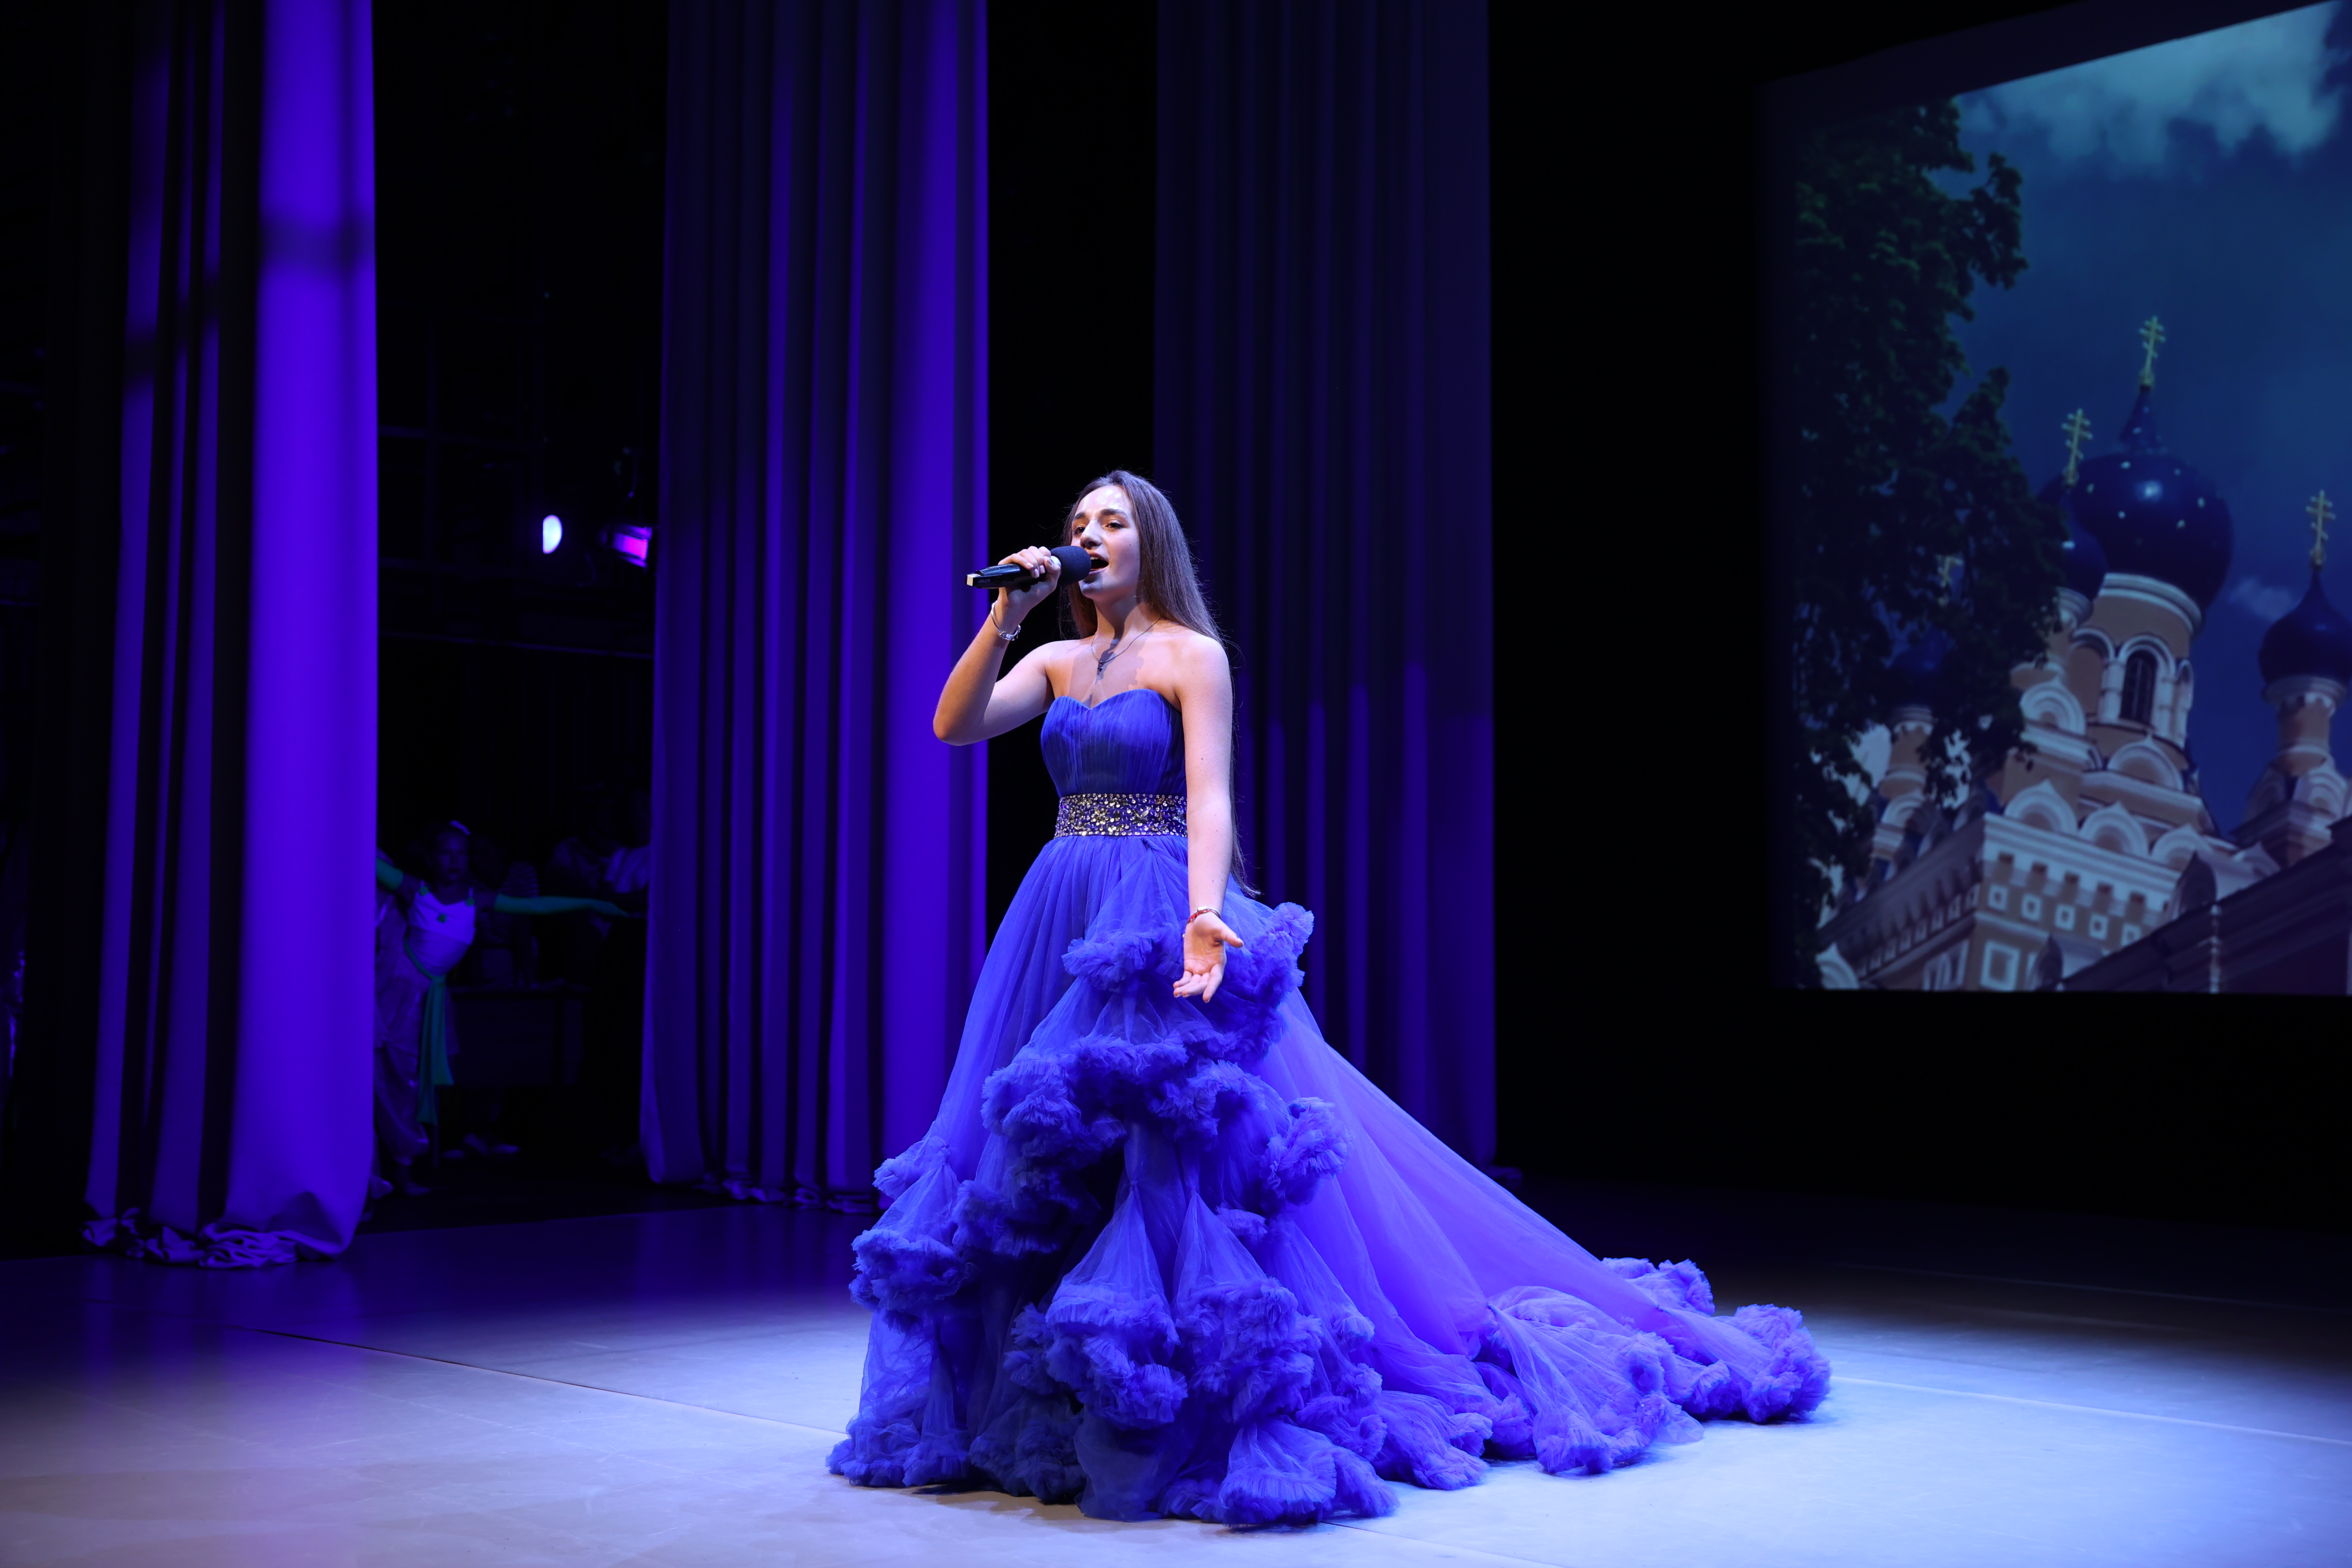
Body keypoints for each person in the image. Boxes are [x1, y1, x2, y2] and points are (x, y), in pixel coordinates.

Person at [828, 472, 1830, 1524]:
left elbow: (1209, 794)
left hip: (1151, 901)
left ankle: (1185, 1384)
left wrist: (1204, 911)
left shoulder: (1189, 654)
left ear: (1148, 541)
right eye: (1078, 524)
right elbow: (955, 724)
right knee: (1046, 1152)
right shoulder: (1055, 658)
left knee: (1168, 1140)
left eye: (1111, 522)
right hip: (1059, 904)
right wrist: (1005, 617)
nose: (1089, 535)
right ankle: (1071, 1380)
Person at [372, 824, 631, 1197]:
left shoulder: (476, 899)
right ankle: (380, 1167)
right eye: (446, 853)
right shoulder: (417, 890)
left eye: (462, 853)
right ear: (431, 858)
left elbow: (534, 906)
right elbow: (370, 863)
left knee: (417, 1081)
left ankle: (403, 1165)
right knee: (391, 1074)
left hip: (433, 997)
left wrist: (589, 903)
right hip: (400, 990)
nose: (454, 860)